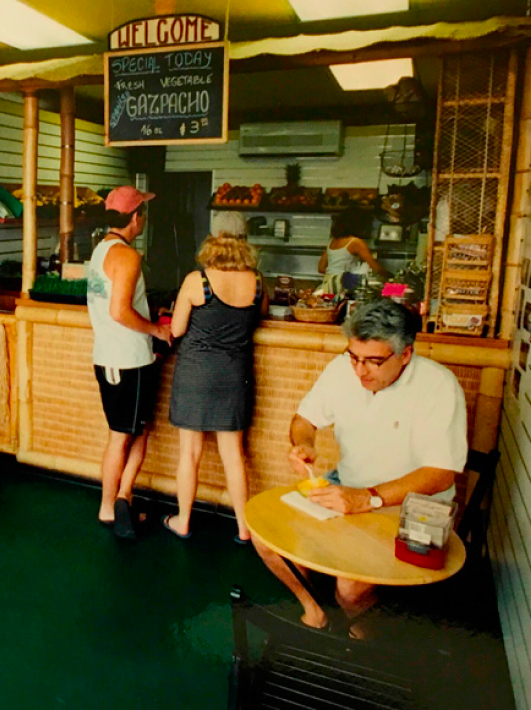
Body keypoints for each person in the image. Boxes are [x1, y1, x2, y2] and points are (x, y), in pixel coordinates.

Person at [253, 299, 467, 633]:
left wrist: (368, 499)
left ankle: (362, 635)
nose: (359, 370)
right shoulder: (343, 369)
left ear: (406, 355)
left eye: (373, 361)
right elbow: (304, 420)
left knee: (350, 588)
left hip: (412, 505)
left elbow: (440, 474)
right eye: (354, 356)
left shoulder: (439, 386)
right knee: (265, 538)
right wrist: (304, 442)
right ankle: (312, 608)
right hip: (347, 487)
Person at [164, 233, 266, 542]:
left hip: (196, 372)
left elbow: (178, 328)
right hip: (235, 373)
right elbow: (259, 318)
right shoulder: (258, 282)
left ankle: (183, 521)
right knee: (234, 454)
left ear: (210, 252)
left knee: (189, 453)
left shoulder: (198, 281)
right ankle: (243, 528)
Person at [86, 186, 172, 539]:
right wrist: (156, 330)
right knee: (129, 436)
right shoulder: (127, 256)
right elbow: (119, 311)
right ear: (135, 218)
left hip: (109, 357)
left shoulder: (100, 250)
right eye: (143, 213)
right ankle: (114, 506)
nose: (144, 219)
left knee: (126, 434)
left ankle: (120, 502)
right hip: (128, 361)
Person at [318, 206, 389, 294]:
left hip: (328, 285)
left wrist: (336, 273)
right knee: (392, 289)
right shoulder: (355, 242)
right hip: (345, 283)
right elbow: (376, 268)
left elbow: (321, 268)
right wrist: (391, 277)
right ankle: (403, 292)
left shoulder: (333, 241)